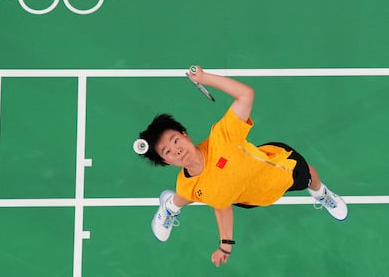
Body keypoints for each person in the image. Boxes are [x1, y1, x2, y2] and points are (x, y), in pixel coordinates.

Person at [134, 65, 348, 267]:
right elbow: (221, 204)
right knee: (190, 192)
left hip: (280, 170)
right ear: (165, 162)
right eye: (167, 152)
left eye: (175, 140)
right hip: (247, 196)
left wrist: (204, 78)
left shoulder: (222, 136)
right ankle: (170, 207)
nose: (176, 150)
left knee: (309, 174)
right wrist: (225, 245)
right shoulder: (189, 184)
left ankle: (322, 194)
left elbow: (246, 94)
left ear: (184, 135)